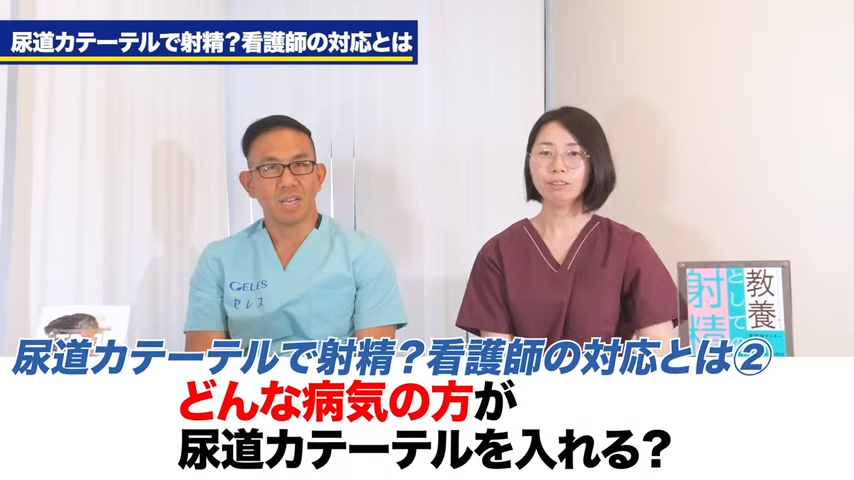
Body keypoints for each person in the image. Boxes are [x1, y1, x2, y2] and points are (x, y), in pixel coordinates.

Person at [455, 106, 678, 353]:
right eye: (545, 153)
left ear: (595, 162)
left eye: (573, 153)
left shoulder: (628, 248)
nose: (558, 166)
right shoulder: (497, 254)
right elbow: (496, 355)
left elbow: (659, 345)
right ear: (529, 162)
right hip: (525, 379)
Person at [183, 115, 407, 353]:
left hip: (332, 378)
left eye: (300, 165)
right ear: (249, 184)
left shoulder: (364, 255)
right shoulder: (218, 260)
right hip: (250, 378)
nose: (287, 181)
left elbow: (373, 361)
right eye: (270, 168)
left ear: (319, 176)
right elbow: (202, 363)